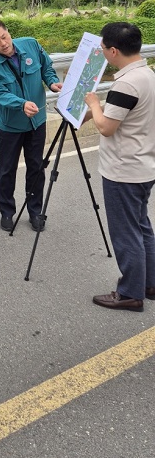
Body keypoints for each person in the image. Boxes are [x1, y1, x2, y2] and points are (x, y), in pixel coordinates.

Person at [84, 22, 155, 312]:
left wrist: (92, 102)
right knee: (142, 228)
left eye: (102, 49)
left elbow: (106, 127)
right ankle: (149, 283)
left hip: (123, 171)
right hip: (144, 165)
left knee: (126, 233)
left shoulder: (125, 83)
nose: (102, 52)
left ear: (114, 51)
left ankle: (129, 293)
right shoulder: (148, 74)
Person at [0, 20, 61, 232]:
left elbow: (46, 67)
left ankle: (35, 211)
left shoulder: (31, 44)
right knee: (6, 170)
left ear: (8, 33)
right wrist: (21, 104)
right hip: (11, 125)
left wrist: (52, 82)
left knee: (36, 167)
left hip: (37, 121)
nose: (3, 44)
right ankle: (6, 211)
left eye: (4, 37)